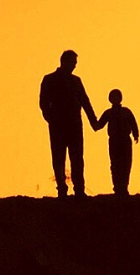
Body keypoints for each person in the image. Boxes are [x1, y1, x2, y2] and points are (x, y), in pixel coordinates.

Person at [38, 49, 98, 198]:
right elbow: (43, 103)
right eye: (73, 62)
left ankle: (79, 189)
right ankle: (62, 190)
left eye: (75, 63)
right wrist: (51, 119)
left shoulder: (76, 81)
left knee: (77, 157)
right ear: (64, 61)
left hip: (75, 125)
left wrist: (94, 122)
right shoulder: (49, 80)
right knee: (59, 158)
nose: (75, 66)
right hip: (58, 126)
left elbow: (85, 101)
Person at [92, 87, 140, 196]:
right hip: (114, 141)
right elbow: (99, 125)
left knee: (126, 164)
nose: (115, 99)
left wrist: (136, 134)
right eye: (113, 97)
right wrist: (92, 121)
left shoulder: (126, 112)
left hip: (125, 140)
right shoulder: (108, 113)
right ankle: (117, 187)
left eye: (117, 97)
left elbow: (133, 124)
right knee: (115, 164)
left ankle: (124, 187)